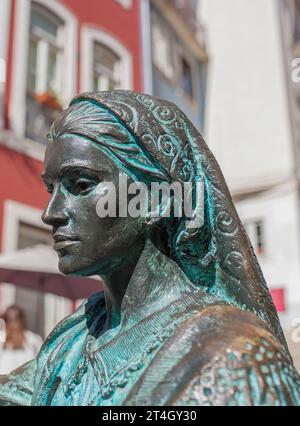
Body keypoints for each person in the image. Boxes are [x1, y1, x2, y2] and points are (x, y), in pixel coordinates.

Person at [0, 90, 300, 405]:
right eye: (52, 189)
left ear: (158, 199)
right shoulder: (71, 341)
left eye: (82, 184)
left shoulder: (235, 357)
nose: (51, 212)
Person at [0, 305, 43, 375]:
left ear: (22, 321)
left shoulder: (34, 340)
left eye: (16, 319)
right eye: (8, 319)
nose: (12, 324)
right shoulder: (1, 338)